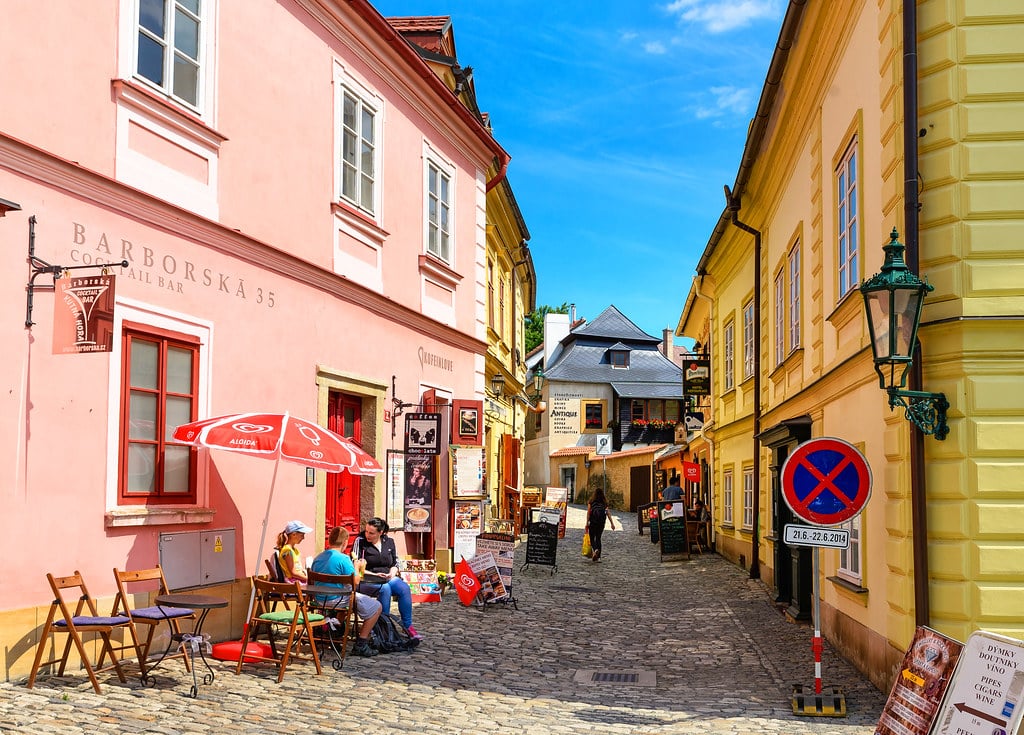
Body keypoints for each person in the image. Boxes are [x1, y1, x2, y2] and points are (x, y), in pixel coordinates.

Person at [310, 526, 383, 658]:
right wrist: (357, 566)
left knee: (345, 604)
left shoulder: (318, 558)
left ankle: (335, 633)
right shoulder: (343, 559)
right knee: (376, 606)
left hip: (319, 599)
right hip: (338, 600)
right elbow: (355, 582)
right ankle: (361, 643)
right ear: (345, 543)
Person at [351, 517, 422, 639]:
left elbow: (395, 562)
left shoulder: (389, 542)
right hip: (367, 579)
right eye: (366, 531)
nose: (367, 535)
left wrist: (391, 573)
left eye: (371, 533)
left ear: (381, 532)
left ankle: (407, 626)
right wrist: (374, 574)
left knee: (404, 588)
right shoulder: (360, 541)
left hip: (387, 576)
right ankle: (383, 628)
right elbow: (355, 565)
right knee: (385, 589)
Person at [584, 487, 616, 562]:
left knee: (592, 538)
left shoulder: (591, 501)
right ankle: (599, 557)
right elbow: (608, 513)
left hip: (593, 522)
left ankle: (595, 550)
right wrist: (612, 524)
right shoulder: (604, 502)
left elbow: (589, 513)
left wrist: (587, 522)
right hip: (601, 523)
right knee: (598, 538)